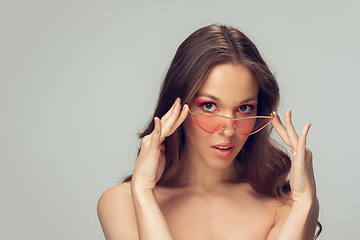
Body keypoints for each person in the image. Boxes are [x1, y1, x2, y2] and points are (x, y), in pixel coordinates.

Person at [97, 24, 321, 240]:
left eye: (244, 108)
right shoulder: (123, 203)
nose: (229, 130)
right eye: (209, 106)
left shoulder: (285, 205)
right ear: (179, 106)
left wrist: (304, 202)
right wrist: (143, 192)